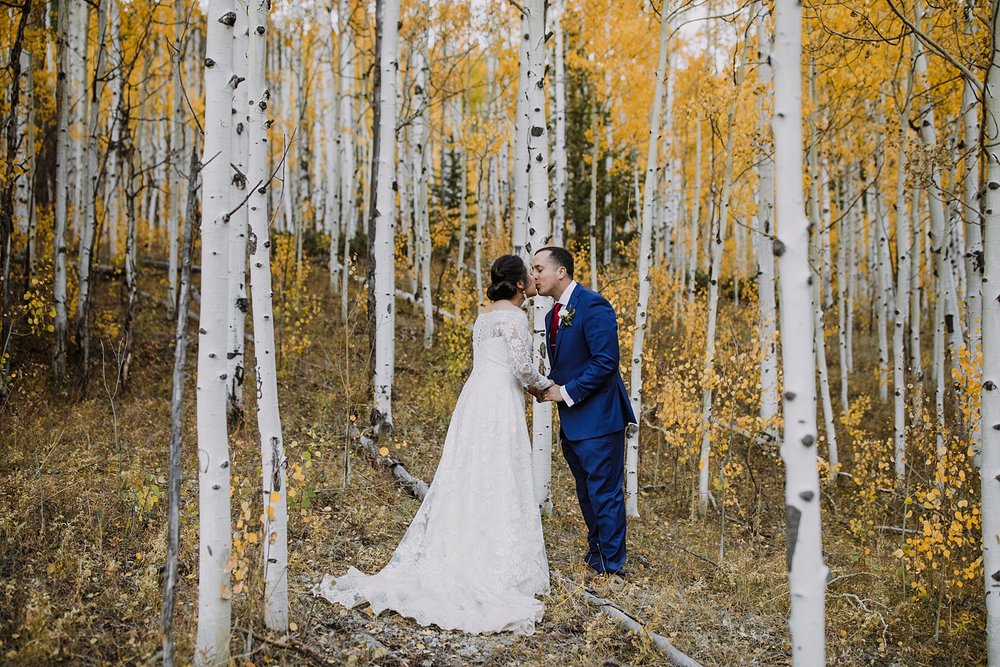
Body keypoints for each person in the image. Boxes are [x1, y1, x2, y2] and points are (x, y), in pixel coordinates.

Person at [316, 255, 551, 635]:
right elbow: (522, 367)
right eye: (529, 273)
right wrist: (545, 386)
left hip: (476, 398)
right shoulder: (512, 317)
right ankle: (493, 560)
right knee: (499, 470)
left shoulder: (485, 316)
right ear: (520, 284)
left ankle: (466, 542)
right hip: (497, 402)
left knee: (471, 473)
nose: (532, 278)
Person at [531, 246, 636, 592]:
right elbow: (566, 366)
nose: (534, 276)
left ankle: (614, 570)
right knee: (586, 494)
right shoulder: (551, 316)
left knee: (605, 494)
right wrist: (545, 385)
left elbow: (606, 363)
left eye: (539, 269)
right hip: (573, 420)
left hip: (601, 419)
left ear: (561, 272)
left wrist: (565, 392)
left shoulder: (594, 306)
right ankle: (597, 557)